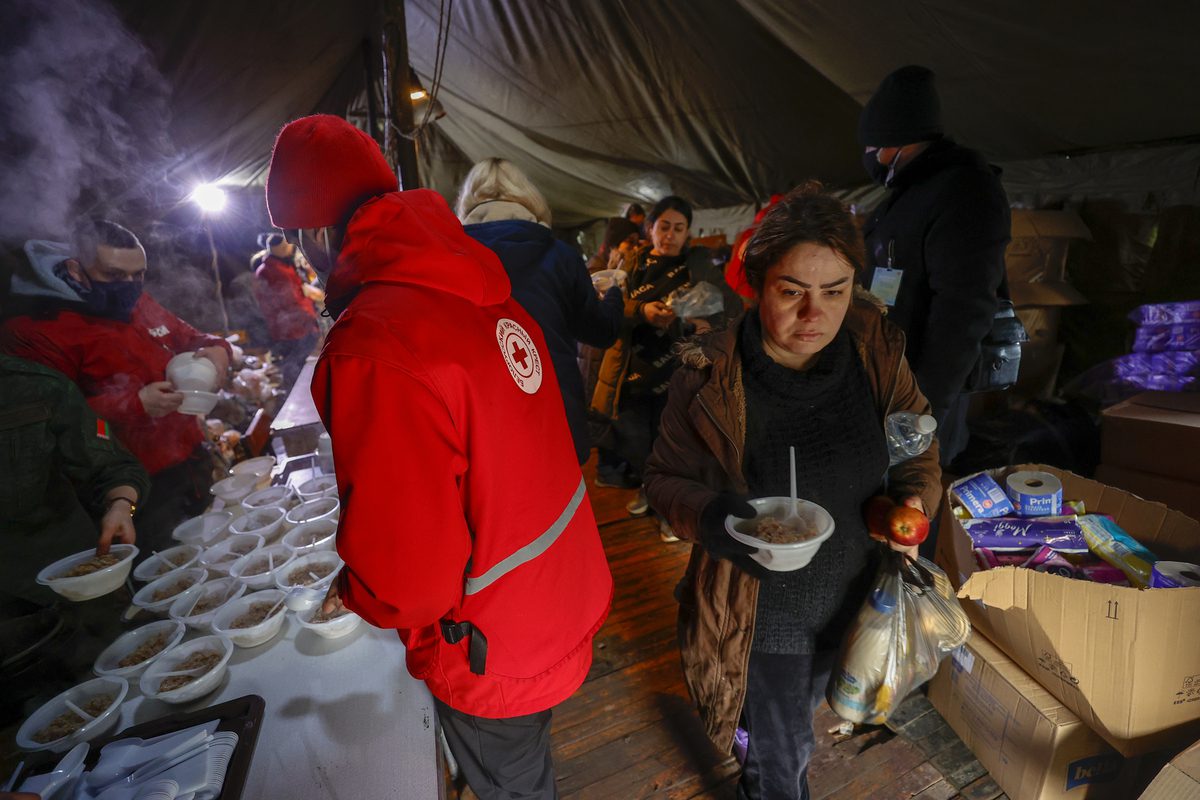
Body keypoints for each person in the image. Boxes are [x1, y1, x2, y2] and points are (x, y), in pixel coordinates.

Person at [264, 115, 612, 800]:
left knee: (515, 785)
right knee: (528, 759)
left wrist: (360, 588)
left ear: (312, 236)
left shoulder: (375, 341)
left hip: (491, 640)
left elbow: (410, 583)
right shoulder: (480, 287)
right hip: (554, 589)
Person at [643, 185, 941, 800]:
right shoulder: (709, 376)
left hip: (860, 597)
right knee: (784, 767)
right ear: (755, 284)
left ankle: (759, 730)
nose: (816, 315)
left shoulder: (875, 349)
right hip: (763, 616)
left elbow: (918, 445)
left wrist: (912, 502)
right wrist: (712, 516)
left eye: (835, 291)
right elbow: (663, 479)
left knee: (821, 704)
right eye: (792, 292)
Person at [0, 220, 230, 552]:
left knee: (217, 553)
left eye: (138, 274)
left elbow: (190, 337)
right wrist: (134, 404)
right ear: (75, 269)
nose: (130, 285)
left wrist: (218, 350)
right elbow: (48, 421)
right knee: (169, 573)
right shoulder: (37, 330)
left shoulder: (136, 302)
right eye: (114, 275)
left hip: (187, 460)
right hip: (129, 487)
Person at [859, 65, 1011, 469]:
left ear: (896, 143)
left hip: (920, 393)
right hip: (884, 379)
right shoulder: (905, 194)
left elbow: (964, 310)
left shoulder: (965, 191)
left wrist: (924, 414)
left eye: (874, 146)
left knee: (909, 495)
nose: (870, 156)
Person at [456, 158, 622, 465]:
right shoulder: (560, 256)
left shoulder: (450, 259)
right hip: (555, 416)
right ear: (529, 199)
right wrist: (614, 294)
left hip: (481, 426)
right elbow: (600, 331)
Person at [590, 195, 730, 535]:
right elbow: (608, 303)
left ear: (687, 233)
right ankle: (650, 491)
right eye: (663, 226)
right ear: (651, 228)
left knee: (675, 445)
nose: (670, 235)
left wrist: (700, 320)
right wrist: (642, 311)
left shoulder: (696, 266)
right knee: (637, 442)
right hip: (633, 371)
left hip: (678, 374)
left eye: (678, 228)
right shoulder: (630, 264)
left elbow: (726, 305)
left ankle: (671, 509)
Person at [250, 232, 322, 391]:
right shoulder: (273, 270)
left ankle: (303, 393)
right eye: (288, 246)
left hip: (296, 326)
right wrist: (309, 316)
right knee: (298, 367)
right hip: (293, 330)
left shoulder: (279, 266)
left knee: (301, 365)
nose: (291, 249)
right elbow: (290, 301)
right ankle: (300, 398)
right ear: (281, 249)